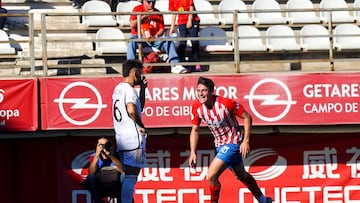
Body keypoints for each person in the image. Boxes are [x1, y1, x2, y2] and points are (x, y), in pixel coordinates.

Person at [188, 77, 273, 203]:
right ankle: (263, 200)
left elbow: (247, 117)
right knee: (241, 175)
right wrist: (193, 152)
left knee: (211, 175)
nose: (200, 93)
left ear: (211, 92)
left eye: (204, 90)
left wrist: (246, 141)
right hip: (219, 145)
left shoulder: (225, 103)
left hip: (233, 143)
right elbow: (195, 130)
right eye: (198, 90)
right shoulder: (196, 108)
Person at [112, 59, 148, 203]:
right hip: (134, 140)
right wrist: (141, 124)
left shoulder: (118, 88)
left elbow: (139, 108)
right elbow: (132, 111)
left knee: (126, 175)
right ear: (134, 73)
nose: (141, 76)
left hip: (122, 139)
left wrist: (143, 89)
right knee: (132, 176)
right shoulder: (130, 90)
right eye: (140, 73)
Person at [127, 0, 189, 74]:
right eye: (149, 2)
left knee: (168, 39)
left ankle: (175, 65)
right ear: (144, 1)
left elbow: (162, 29)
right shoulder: (137, 9)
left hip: (154, 39)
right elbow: (132, 24)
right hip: (141, 38)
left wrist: (156, 35)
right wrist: (144, 16)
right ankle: (131, 68)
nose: (151, 4)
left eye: (153, 2)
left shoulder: (158, 13)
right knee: (131, 41)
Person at [84, 136, 125, 203]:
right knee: (90, 177)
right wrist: (97, 155)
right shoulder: (94, 156)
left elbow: (122, 171)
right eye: (100, 145)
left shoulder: (117, 154)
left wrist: (111, 156)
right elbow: (91, 173)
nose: (103, 147)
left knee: (125, 176)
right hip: (100, 185)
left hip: (116, 184)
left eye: (105, 145)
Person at [169, 0, 202, 72]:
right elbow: (174, 12)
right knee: (182, 43)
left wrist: (190, 19)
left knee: (194, 41)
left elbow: (191, 6)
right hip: (181, 22)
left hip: (192, 20)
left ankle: (197, 63)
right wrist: (172, 26)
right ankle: (180, 63)